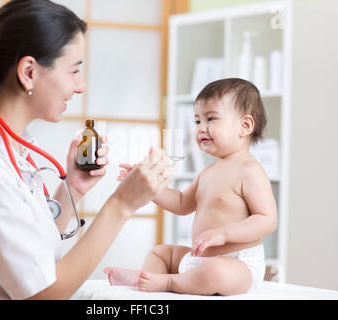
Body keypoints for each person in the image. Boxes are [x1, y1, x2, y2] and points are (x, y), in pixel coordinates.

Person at [0, 0, 172, 300]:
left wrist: (72, 191)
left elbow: (24, 250)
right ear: (29, 72)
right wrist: (122, 205)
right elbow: (43, 294)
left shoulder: (3, 138)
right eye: (74, 70)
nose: (80, 87)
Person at [104, 78, 278, 295]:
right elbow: (181, 203)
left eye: (211, 119)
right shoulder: (208, 172)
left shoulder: (249, 171)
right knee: (161, 253)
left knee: (215, 272)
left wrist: (224, 234)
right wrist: (150, 186)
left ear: (245, 126)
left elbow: (267, 220)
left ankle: (168, 282)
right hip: (198, 259)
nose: (201, 128)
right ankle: (146, 277)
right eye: (197, 121)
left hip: (237, 265)